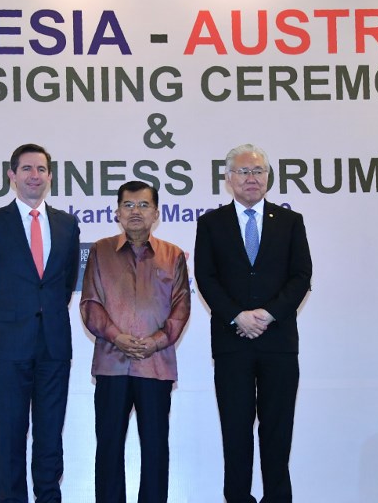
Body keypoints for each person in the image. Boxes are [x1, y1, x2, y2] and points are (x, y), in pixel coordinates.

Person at [194, 144, 312, 503]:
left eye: (258, 172)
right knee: (236, 430)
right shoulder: (211, 223)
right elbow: (206, 277)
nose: (252, 179)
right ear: (228, 179)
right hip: (233, 343)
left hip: (277, 342)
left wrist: (267, 314)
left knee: (278, 430)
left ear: (268, 177)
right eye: (243, 172)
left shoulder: (290, 222)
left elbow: (301, 275)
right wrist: (237, 316)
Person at [0, 143, 80, 503]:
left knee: (50, 436)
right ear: (12, 176)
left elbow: (63, 283)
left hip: (54, 347)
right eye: (27, 169)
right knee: (12, 434)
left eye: (42, 169)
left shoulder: (66, 224)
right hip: (8, 347)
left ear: (49, 176)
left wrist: (45, 318)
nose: (35, 176)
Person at [80, 180, 191, 503]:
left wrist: (156, 341)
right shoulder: (100, 251)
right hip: (111, 365)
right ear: (117, 212)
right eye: (128, 205)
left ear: (156, 213)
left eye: (143, 205)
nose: (136, 212)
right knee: (109, 448)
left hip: (156, 367)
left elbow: (181, 306)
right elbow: (90, 303)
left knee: (156, 449)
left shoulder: (173, 255)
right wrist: (118, 337)